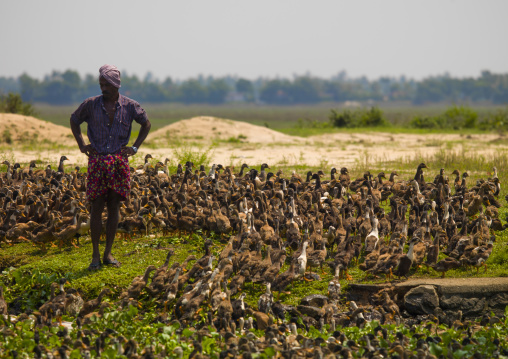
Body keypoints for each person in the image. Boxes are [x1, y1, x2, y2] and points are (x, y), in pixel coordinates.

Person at [70, 64, 151, 271]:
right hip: (97, 161)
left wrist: (134, 147)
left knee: (114, 206)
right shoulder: (90, 105)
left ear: (116, 85)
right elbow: (74, 119)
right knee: (96, 206)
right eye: (101, 84)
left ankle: (108, 253)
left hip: (119, 161)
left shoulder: (130, 106)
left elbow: (146, 123)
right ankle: (95, 255)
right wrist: (82, 145)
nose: (103, 88)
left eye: (106, 84)